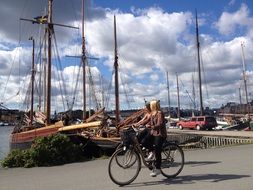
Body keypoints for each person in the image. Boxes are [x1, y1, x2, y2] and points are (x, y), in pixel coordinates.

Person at [148, 100, 167, 177]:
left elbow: (160, 123)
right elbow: (149, 122)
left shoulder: (160, 113)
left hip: (160, 134)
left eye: (151, 105)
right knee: (144, 140)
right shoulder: (152, 114)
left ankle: (158, 169)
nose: (150, 106)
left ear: (153, 105)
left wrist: (152, 127)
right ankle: (151, 152)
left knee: (157, 149)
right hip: (154, 132)